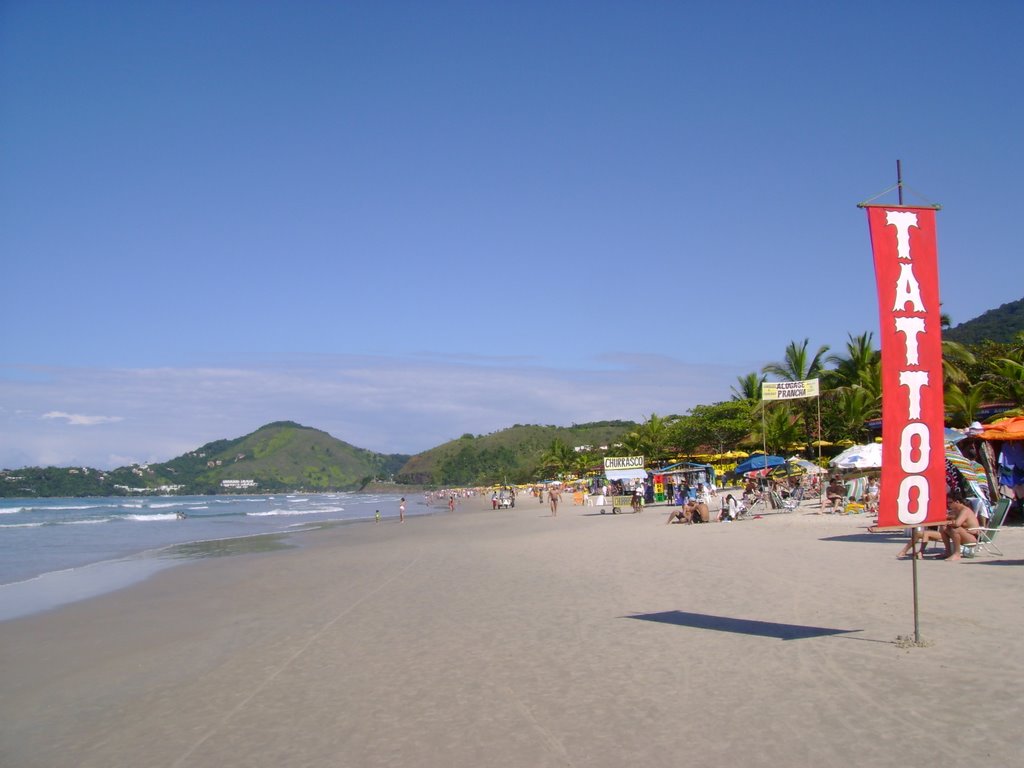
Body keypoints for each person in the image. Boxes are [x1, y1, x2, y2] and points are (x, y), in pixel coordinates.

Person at [941, 493, 980, 560]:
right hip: (965, 534)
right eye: (947, 502)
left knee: (955, 529)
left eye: (950, 502)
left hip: (973, 538)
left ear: (957, 502)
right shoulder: (956, 510)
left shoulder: (965, 510)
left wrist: (949, 522)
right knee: (943, 528)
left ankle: (957, 554)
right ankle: (948, 552)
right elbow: (947, 517)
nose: (948, 504)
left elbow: (957, 524)